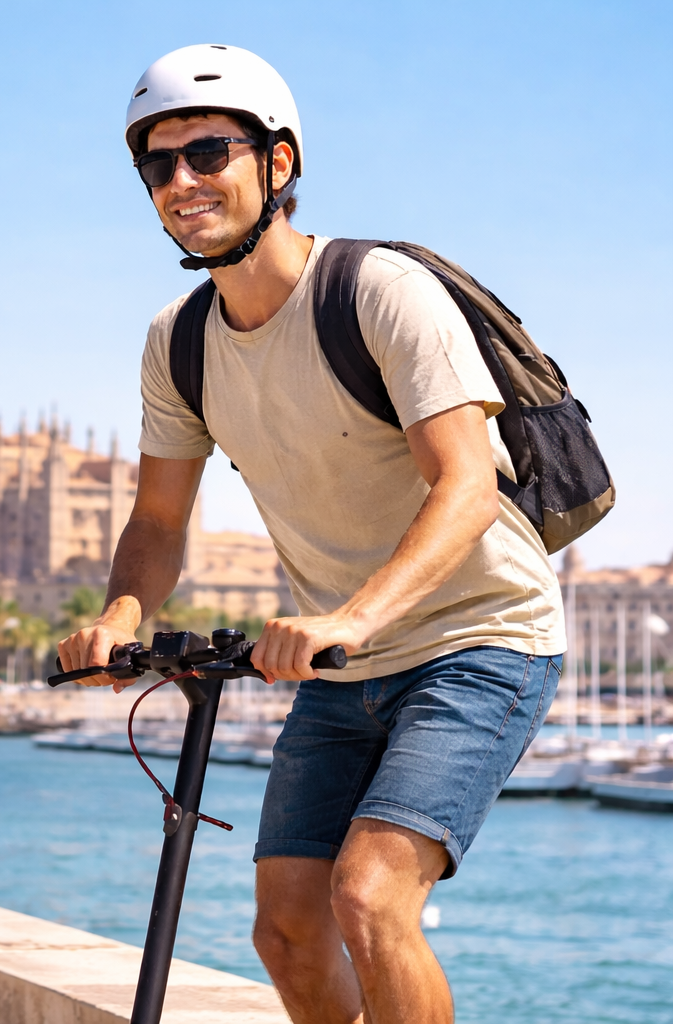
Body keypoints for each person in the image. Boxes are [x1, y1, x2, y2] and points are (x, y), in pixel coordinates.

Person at [57, 44, 563, 1024]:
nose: (181, 181)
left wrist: (354, 618)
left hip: (480, 638)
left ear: (278, 162)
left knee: (370, 898)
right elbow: (158, 518)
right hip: (339, 665)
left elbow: (467, 485)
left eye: (209, 153)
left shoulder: (377, 290)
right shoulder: (178, 340)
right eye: (158, 164)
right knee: (287, 930)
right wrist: (121, 615)